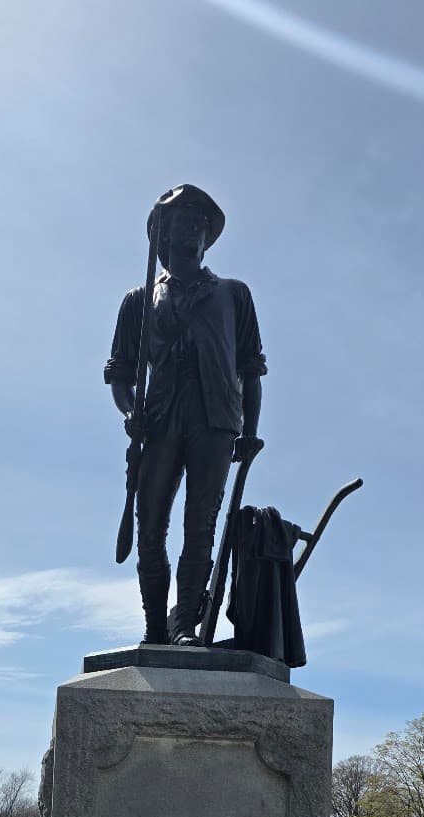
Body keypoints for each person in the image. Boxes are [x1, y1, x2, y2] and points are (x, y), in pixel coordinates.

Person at [105, 184, 267, 645]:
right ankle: (155, 625)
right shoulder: (138, 301)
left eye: (200, 223)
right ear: (162, 234)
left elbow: (250, 369)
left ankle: (184, 626)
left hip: (215, 420)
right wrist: (128, 410)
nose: (191, 228)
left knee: (201, 524)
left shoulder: (234, 295)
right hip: (159, 420)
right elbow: (120, 374)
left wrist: (250, 433)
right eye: (181, 221)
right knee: (149, 524)